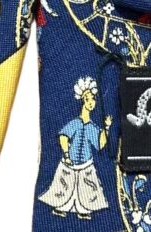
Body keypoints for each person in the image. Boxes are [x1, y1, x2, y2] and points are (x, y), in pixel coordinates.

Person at [39, 77, 112, 218]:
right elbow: (63, 137)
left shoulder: (92, 127)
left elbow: (99, 144)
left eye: (93, 99)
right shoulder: (75, 123)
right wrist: (66, 154)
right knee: (64, 186)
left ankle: (83, 210)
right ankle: (62, 208)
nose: (91, 102)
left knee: (87, 188)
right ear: (82, 101)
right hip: (69, 163)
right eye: (87, 99)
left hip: (86, 165)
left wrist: (107, 128)